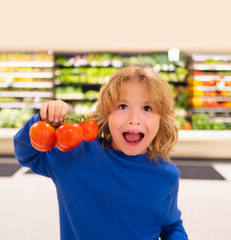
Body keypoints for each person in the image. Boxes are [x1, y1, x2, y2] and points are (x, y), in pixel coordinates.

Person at [13, 64, 188, 240]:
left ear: (162, 120)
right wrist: (45, 120)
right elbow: (27, 153)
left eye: (147, 109)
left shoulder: (167, 175)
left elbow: (171, 225)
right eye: (122, 106)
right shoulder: (75, 154)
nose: (134, 120)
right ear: (106, 114)